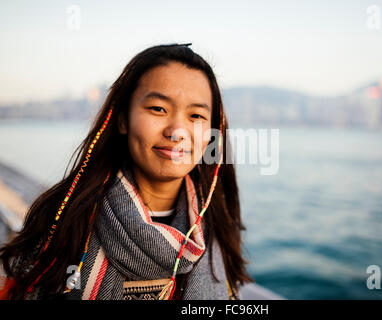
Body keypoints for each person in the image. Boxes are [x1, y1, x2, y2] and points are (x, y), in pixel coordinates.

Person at [0, 43, 253, 300]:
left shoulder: (216, 225)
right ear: (123, 119)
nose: (177, 131)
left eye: (196, 116)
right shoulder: (66, 220)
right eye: (158, 109)